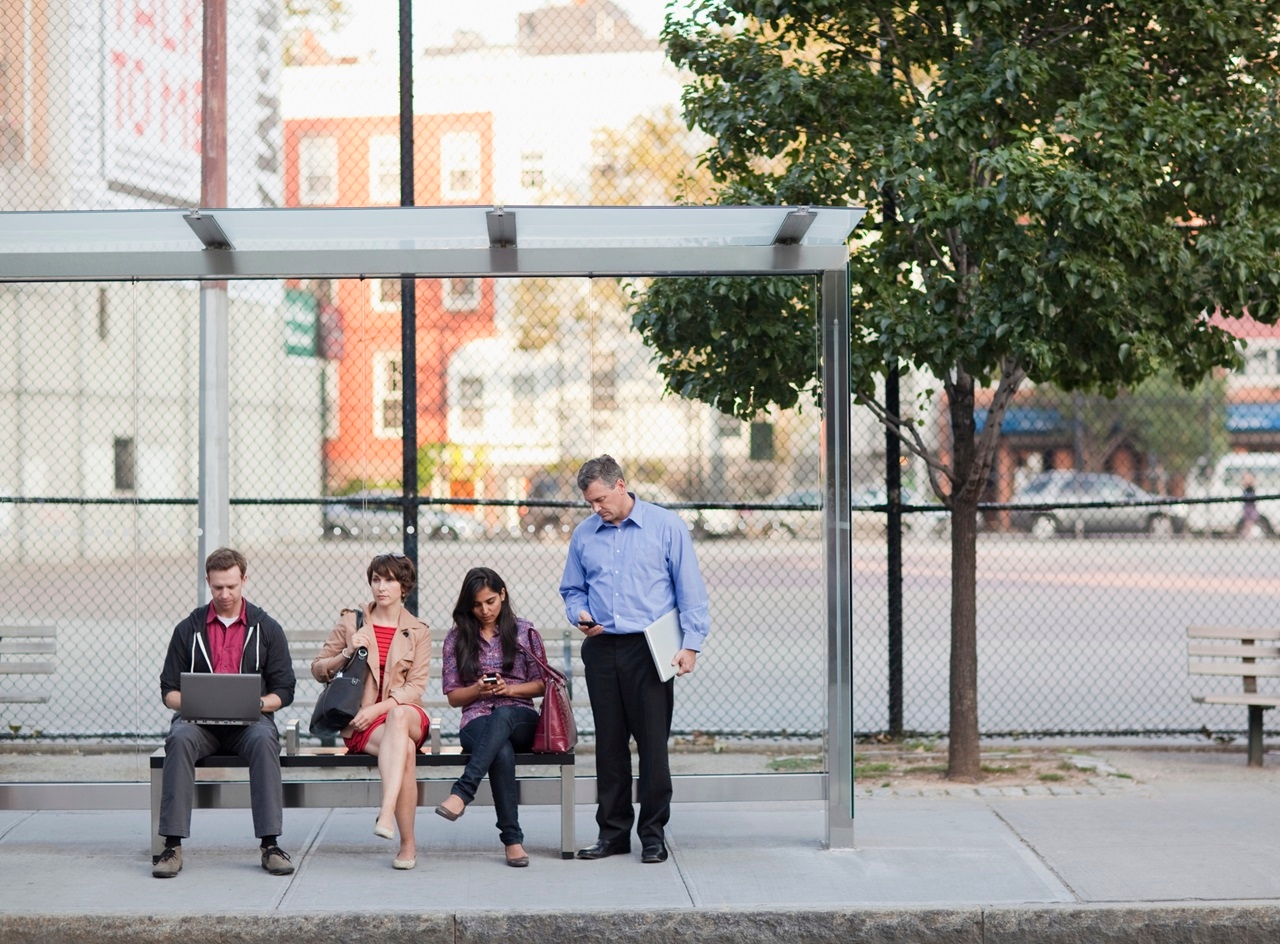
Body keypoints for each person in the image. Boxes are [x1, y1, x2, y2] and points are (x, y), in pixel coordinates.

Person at [559, 455, 710, 864]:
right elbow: (571, 589)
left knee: (652, 747)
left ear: (621, 485)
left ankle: (653, 834)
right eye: (590, 502)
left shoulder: (666, 528)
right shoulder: (585, 535)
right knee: (609, 746)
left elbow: (690, 591)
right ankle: (612, 834)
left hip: (650, 649)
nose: (597, 509)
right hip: (603, 647)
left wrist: (691, 645)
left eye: (601, 499)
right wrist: (580, 614)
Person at [154, 547, 297, 878]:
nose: (225, 594)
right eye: (218, 587)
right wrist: (193, 703)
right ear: (208, 582)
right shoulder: (188, 629)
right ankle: (171, 847)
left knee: (264, 740)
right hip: (199, 724)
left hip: (251, 722)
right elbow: (167, 691)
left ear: (244, 580)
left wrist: (257, 704)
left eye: (232, 586)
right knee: (178, 738)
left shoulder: (266, 628)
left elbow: (284, 690)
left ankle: (270, 844)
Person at [311, 553, 432, 870]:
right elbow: (318, 669)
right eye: (376, 579)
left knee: (399, 717)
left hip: (404, 714)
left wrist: (381, 706)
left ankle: (386, 810)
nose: (381, 587)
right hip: (362, 724)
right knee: (403, 749)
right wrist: (348, 652)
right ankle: (407, 845)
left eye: (390, 580)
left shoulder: (418, 630)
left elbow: (416, 686)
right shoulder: (352, 621)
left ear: (404, 586)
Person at [436, 567, 547, 868]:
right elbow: (453, 697)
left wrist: (508, 688)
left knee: (506, 713)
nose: (484, 610)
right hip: (476, 719)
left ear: (503, 595)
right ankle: (513, 841)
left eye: (490, 602)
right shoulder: (456, 638)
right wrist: (477, 690)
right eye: (476, 605)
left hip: (521, 716)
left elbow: (541, 683)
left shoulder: (524, 631)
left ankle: (462, 792)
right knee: (500, 749)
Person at [1241, 473, 1260, 539]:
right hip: (1247, 506)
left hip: (1251, 506)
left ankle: (1248, 533)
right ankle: (1246, 533)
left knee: (1250, 520)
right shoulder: (1245, 487)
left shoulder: (1252, 487)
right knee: (1247, 521)